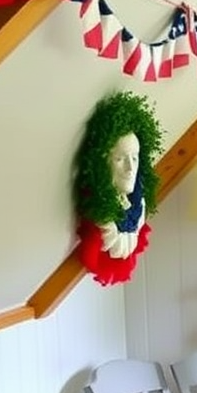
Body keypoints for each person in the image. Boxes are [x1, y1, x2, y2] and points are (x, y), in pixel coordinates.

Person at [73, 91, 163, 286]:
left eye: (135, 158)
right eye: (120, 159)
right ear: (103, 163)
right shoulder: (103, 217)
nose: (131, 168)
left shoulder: (137, 207)